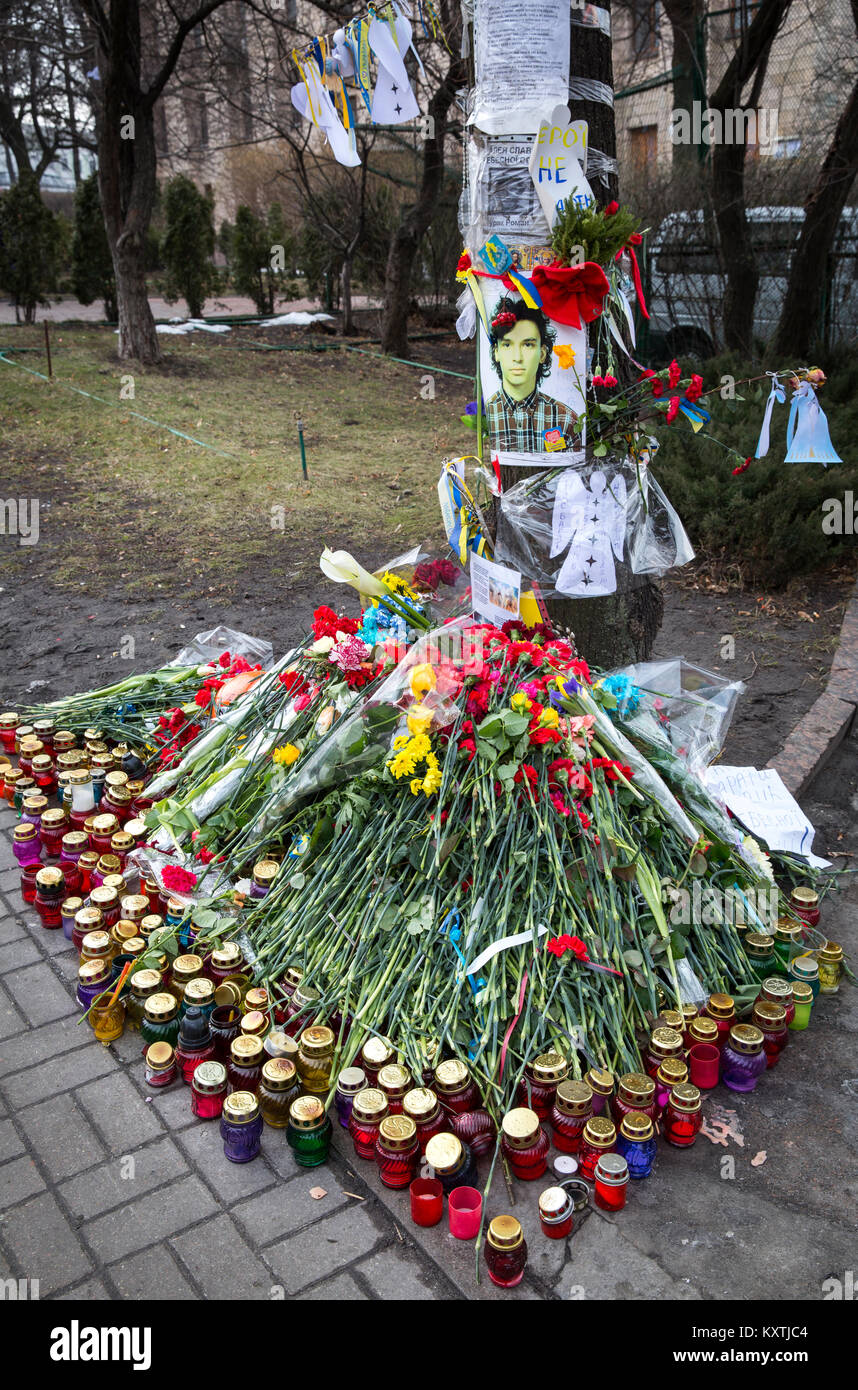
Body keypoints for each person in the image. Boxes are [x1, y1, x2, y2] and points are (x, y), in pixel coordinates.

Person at [485, 297, 578, 453]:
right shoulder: (485, 415)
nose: (517, 357)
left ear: (542, 354)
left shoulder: (565, 419)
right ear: (496, 353)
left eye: (528, 344)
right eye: (507, 345)